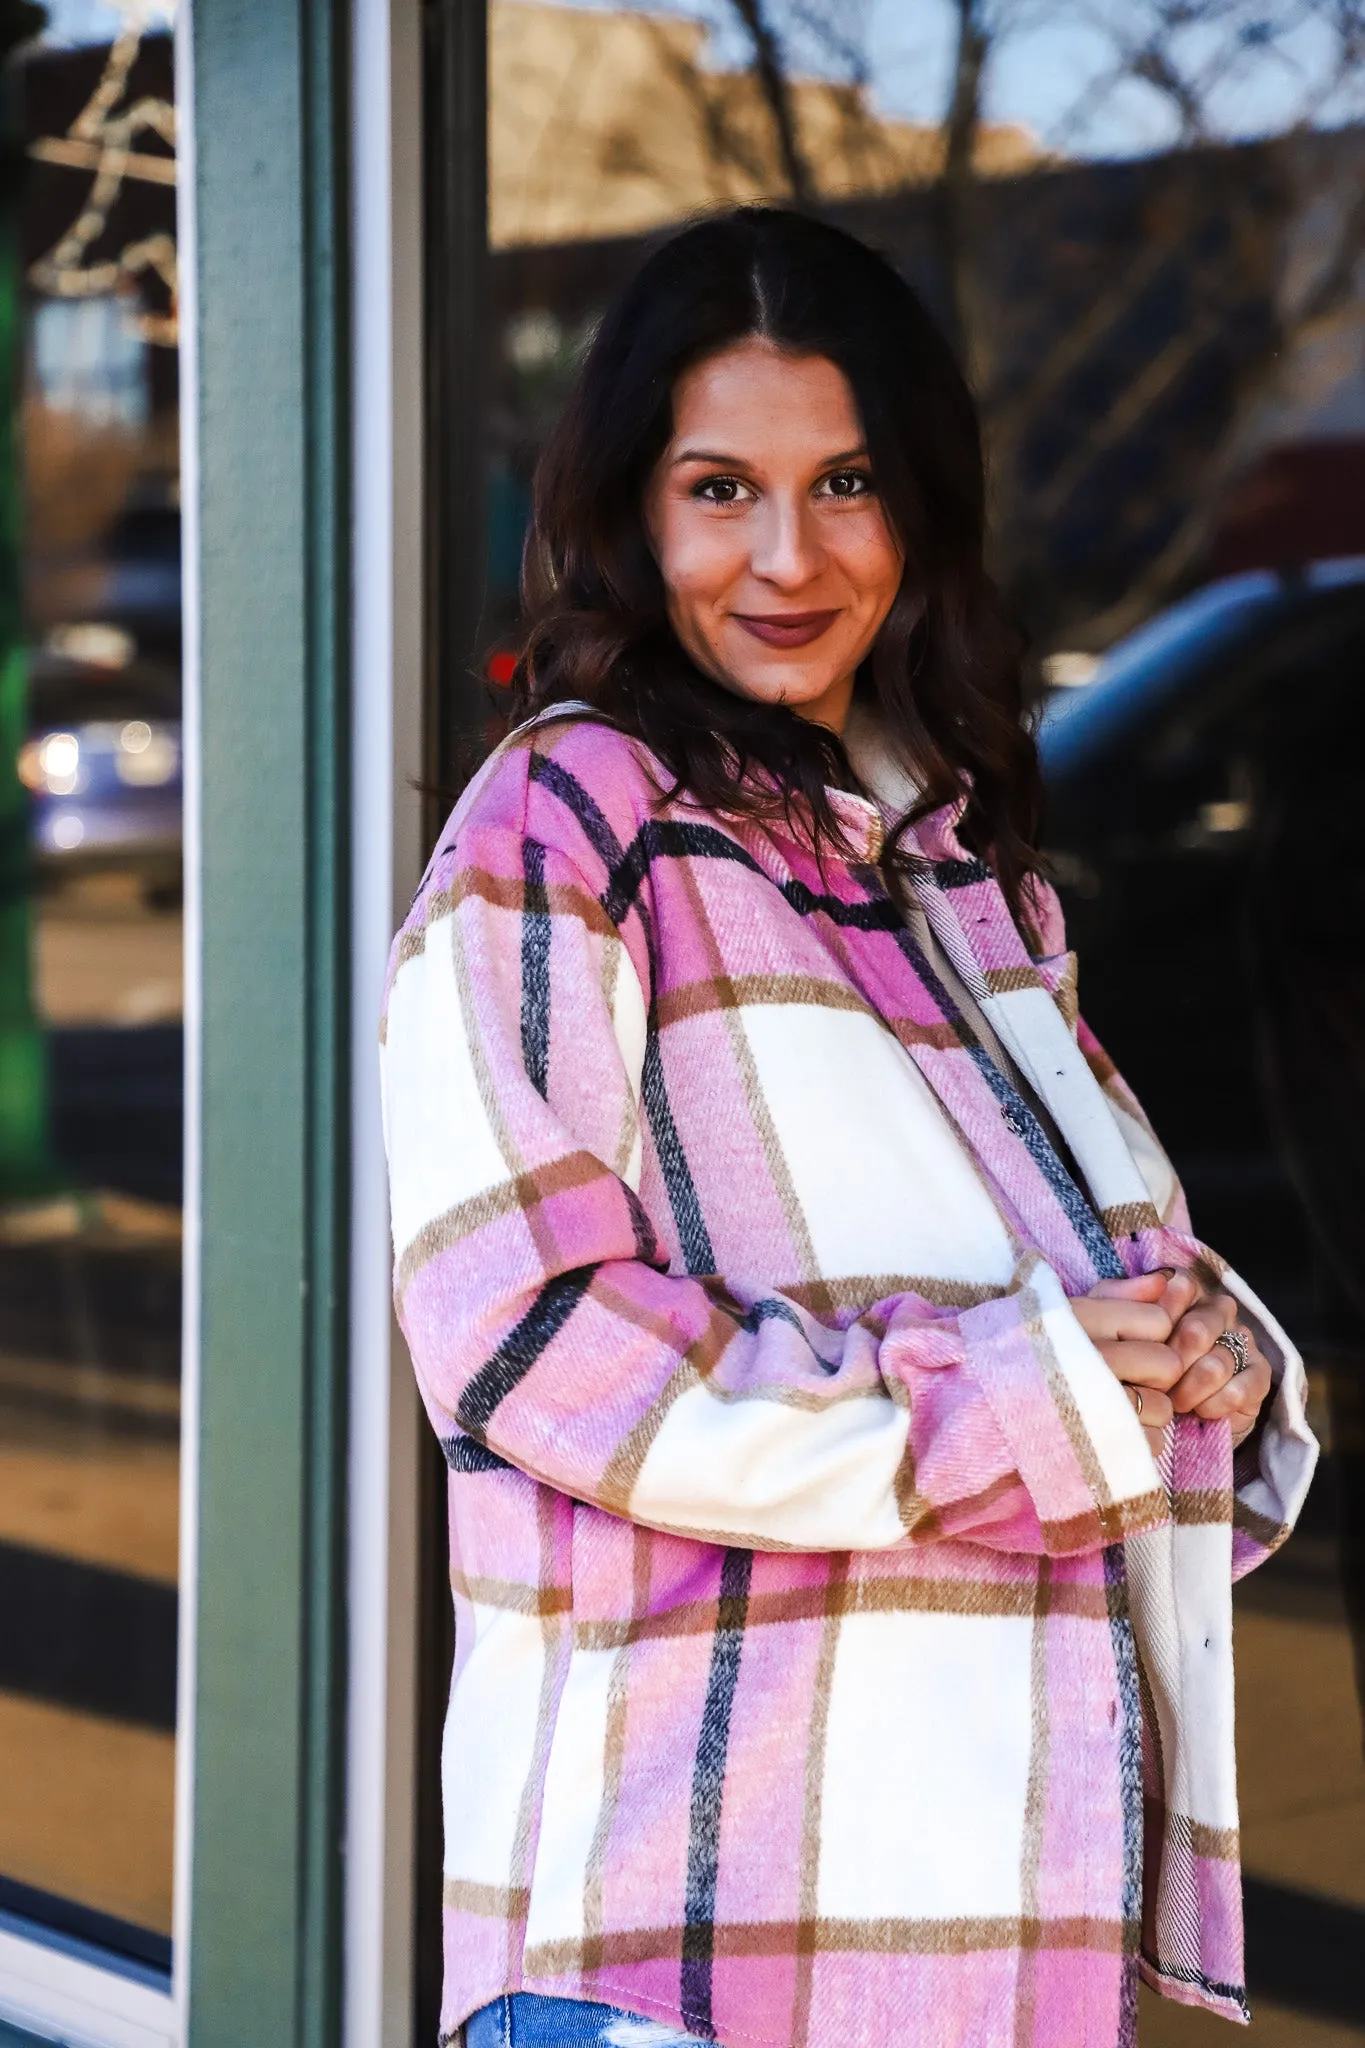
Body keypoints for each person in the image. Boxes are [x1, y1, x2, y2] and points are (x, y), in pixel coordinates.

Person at [381, 209, 1317, 2048]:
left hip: (994, 1944)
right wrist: (1024, 1398)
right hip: (690, 1956)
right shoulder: (565, 823)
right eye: (722, 487)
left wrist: (1198, 1352)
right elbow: (527, 1347)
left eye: (851, 484)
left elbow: (1082, 1333)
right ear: (630, 510)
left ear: (923, 509)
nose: (790, 557)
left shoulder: (958, 865)